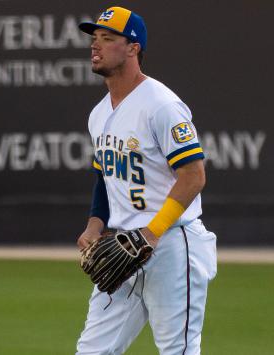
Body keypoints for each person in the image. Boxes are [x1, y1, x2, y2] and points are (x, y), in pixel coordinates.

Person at [75, 6, 218, 355]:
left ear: (133, 48)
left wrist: (152, 234)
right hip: (121, 249)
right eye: (95, 39)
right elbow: (104, 176)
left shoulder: (162, 105)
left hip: (171, 243)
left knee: (178, 350)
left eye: (108, 39)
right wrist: (95, 225)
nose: (97, 46)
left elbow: (193, 175)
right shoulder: (99, 113)